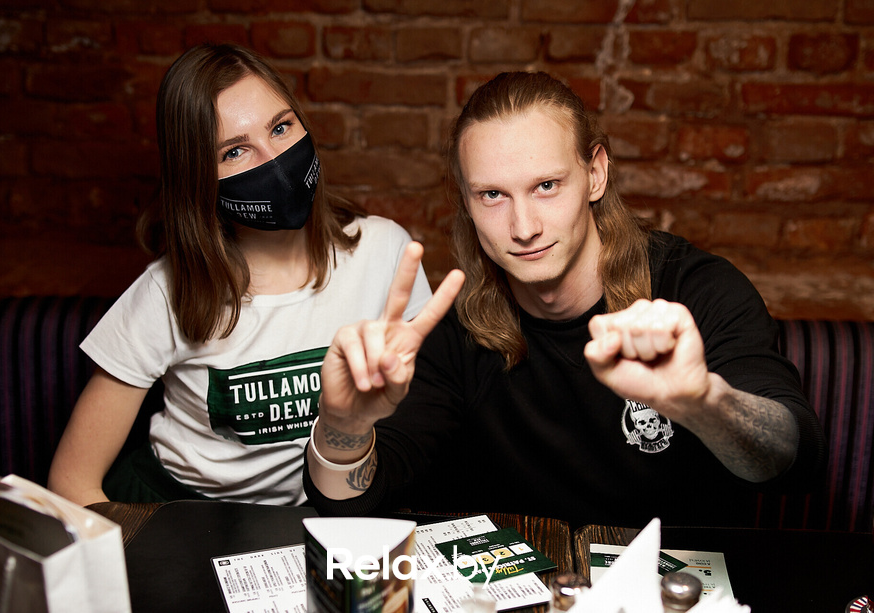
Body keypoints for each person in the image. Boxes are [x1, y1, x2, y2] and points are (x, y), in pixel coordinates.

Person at [302, 71, 827, 528]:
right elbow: (352, 506)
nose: (524, 227)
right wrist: (343, 429)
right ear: (466, 201)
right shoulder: (456, 329)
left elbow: (794, 462)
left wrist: (702, 402)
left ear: (595, 173)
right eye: (492, 195)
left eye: (547, 186)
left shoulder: (697, 290)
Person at [47, 43, 433, 507]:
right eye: (234, 152)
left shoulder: (385, 250)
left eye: (281, 127)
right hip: (183, 509)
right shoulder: (167, 292)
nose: (273, 160)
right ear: (198, 178)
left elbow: (420, 426)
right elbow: (70, 483)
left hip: (326, 507)